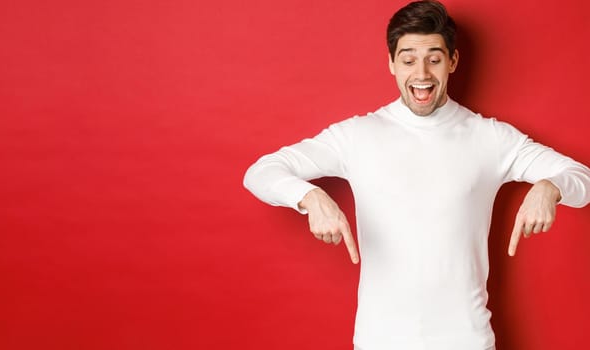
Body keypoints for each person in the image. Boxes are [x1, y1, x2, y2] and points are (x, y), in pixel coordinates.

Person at [242, 1, 590, 349]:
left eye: (434, 59)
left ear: (452, 61)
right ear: (391, 63)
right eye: (408, 60)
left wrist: (550, 186)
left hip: (467, 340)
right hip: (380, 340)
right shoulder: (356, 136)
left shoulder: (491, 138)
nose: (421, 73)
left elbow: (582, 178)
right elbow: (260, 172)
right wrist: (309, 197)